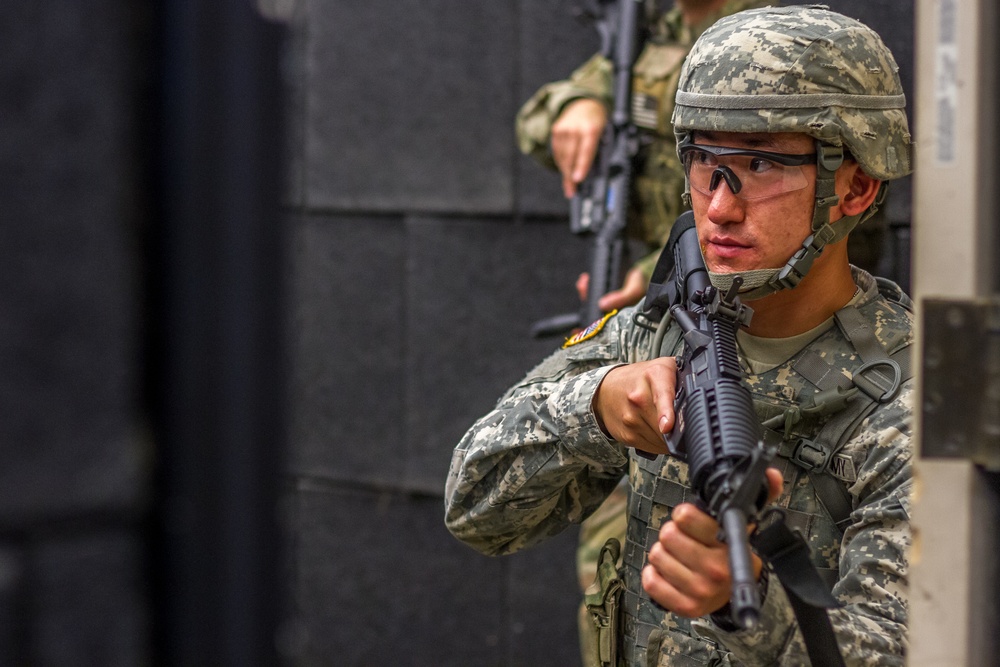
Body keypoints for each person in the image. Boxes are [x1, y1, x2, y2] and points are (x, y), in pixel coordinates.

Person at [446, 6, 914, 666]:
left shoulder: (905, 406)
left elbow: (903, 649)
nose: (719, 205)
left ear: (856, 186)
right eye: (704, 160)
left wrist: (751, 607)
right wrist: (597, 406)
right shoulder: (661, 328)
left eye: (760, 164)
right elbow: (474, 504)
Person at [517, 5, 773, 660]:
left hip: (758, 329)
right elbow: (535, 119)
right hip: (656, 332)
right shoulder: (648, 27)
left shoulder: (775, 31)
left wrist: (656, 272)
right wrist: (578, 103)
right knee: (611, 567)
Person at [517, 0, 774, 312]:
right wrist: (576, 103)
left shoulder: (764, 41)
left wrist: (663, 267)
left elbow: (777, 207)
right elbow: (533, 125)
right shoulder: (661, 33)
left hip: (745, 296)